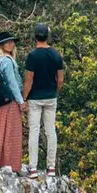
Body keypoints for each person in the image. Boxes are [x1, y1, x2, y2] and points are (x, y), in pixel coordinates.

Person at [22, 21, 64, 178]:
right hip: (50, 97)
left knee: (34, 131)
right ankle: (51, 167)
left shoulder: (32, 56)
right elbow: (60, 80)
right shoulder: (55, 54)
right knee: (50, 131)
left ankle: (33, 168)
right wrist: (55, 92)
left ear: (35, 37)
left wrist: (24, 98)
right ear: (48, 36)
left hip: (34, 98)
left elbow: (29, 80)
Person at [0, 31, 24, 173]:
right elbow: (13, 83)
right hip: (10, 101)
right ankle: (11, 164)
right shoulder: (7, 61)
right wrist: (20, 101)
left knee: (1, 130)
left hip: (1, 102)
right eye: (7, 42)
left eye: (11, 41)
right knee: (12, 131)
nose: (10, 44)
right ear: (1, 45)